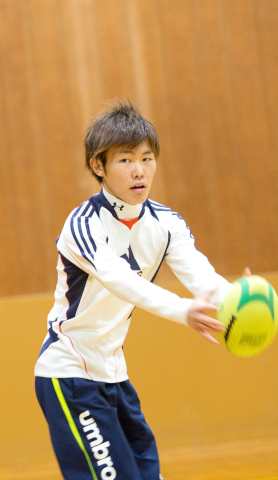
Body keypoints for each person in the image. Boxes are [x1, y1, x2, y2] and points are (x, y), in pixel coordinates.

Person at [34, 101, 248, 480]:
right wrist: (183, 311)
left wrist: (237, 299)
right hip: (69, 375)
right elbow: (121, 281)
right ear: (98, 166)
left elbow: (201, 276)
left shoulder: (166, 223)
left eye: (148, 158)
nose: (139, 171)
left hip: (114, 376)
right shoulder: (82, 225)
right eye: (125, 160)